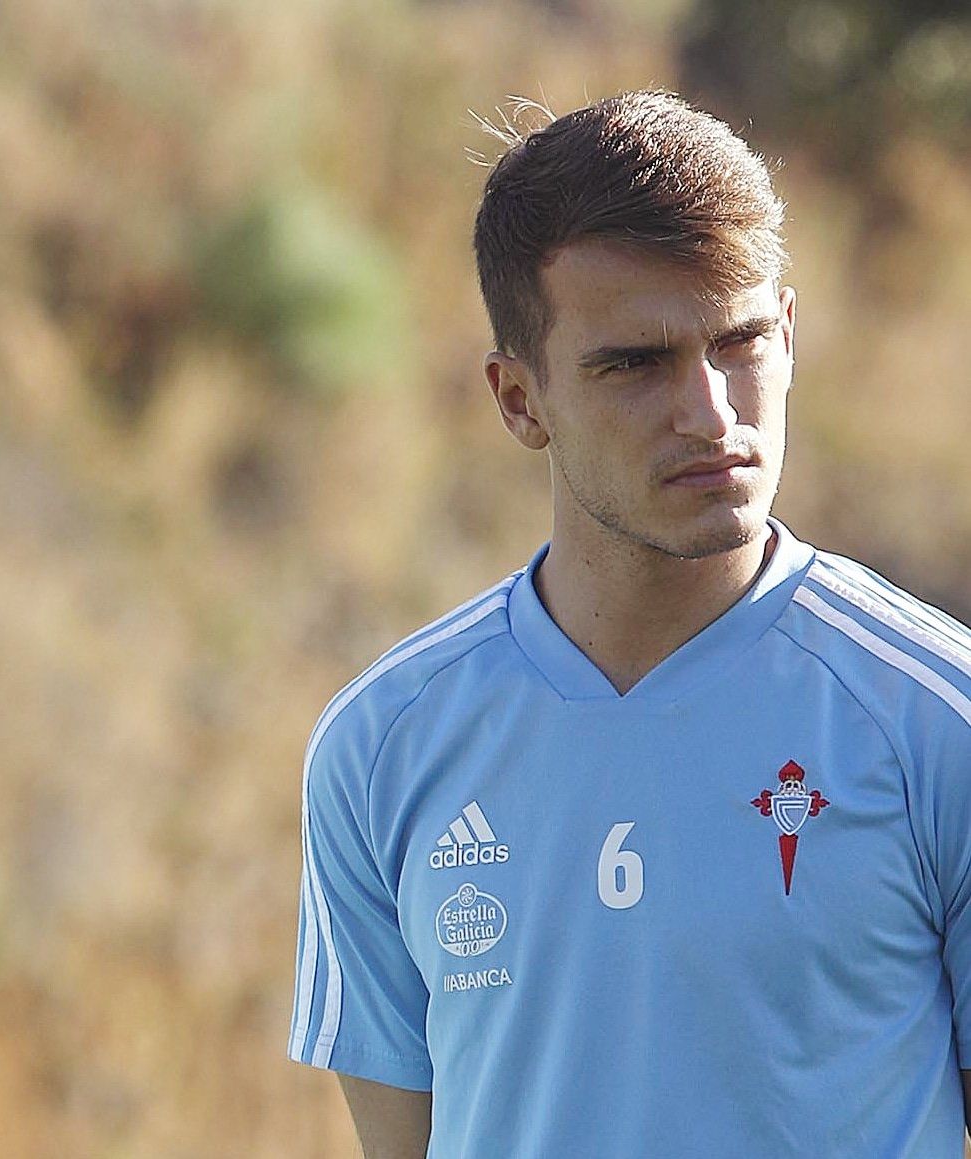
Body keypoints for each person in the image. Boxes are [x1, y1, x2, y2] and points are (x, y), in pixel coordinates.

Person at [290, 89, 971, 1156]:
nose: (711, 414)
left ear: (787, 335)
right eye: (635, 365)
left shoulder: (941, 723)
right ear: (520, 399)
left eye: (740, 342)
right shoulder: (382, 749)